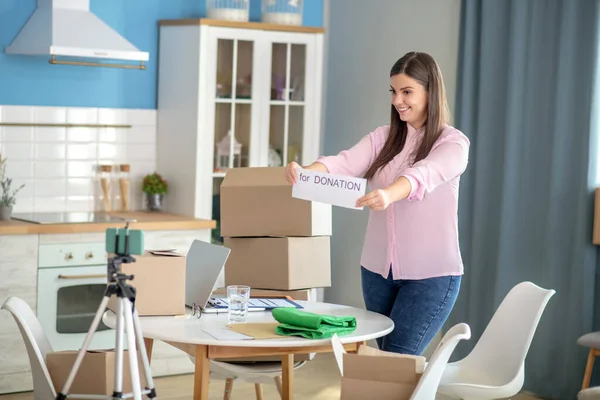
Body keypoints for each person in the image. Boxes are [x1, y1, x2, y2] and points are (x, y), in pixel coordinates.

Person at [283, 51, 470, 356]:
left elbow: (422, 174)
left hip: (431, 276)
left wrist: (388, 194)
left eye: (407, 91)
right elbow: (343, 163)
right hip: (377, 273)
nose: (398, 100)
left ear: (430, 91)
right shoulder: (383, 138)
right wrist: (305, 173)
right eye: (394, 92)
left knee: (397, 357)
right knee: (385, 364)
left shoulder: (453, 144)